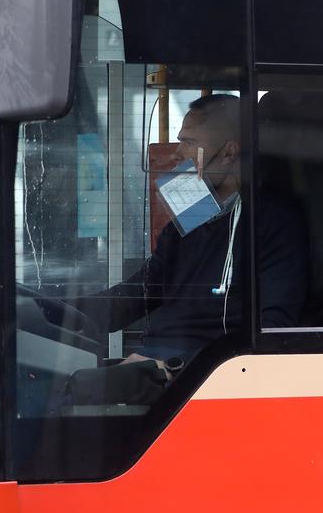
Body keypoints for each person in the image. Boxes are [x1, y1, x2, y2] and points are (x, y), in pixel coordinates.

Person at [77, 93, 308, 389]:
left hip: (203, 377)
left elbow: (272, 330)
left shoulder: (273, 221)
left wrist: (174, 366)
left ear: (228, 153)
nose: (176, 154)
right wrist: (60, 314)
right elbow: (138, 293)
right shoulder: (193, 217)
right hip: (157, 366)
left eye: (188, 142)